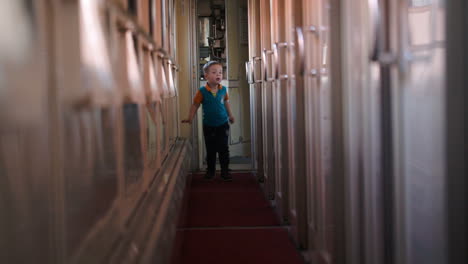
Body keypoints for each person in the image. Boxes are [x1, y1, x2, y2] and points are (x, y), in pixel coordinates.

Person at [181, 61, 235, 181]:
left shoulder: (223, 90)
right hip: (209, 125)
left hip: (223, 124)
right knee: (210, 149)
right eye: (214, 72)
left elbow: (226, 103)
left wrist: (230, 115)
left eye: (220, 72)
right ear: (206, 76)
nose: (218, 75)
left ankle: (225, 171)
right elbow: (195, 105)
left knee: (223, 149)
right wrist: (190, 117)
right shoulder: (202, 91)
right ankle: (210, 171)